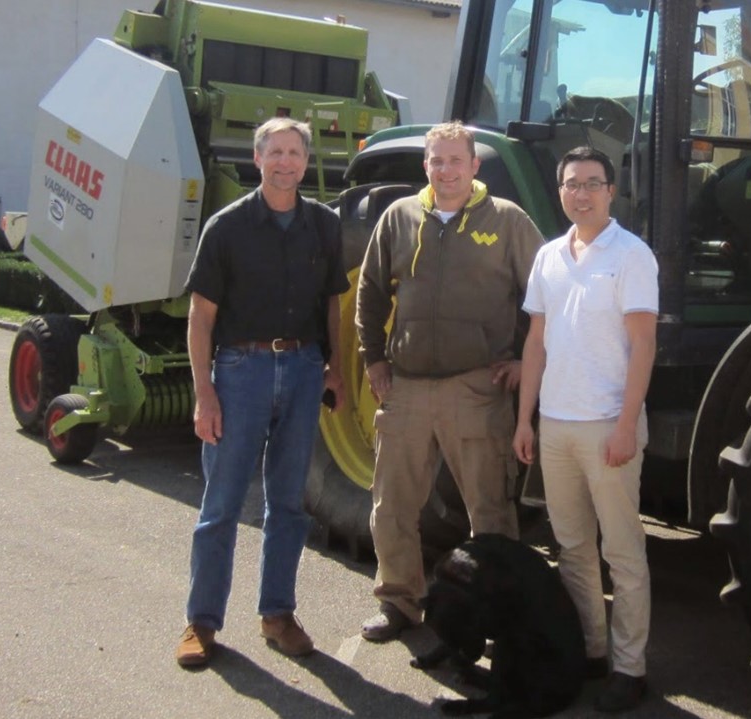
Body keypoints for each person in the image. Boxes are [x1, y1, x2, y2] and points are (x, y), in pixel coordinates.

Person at [356, 121, 545, 642]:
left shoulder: (507, 220)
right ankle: (399, 601)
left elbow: (547, 295)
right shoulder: (399, 217)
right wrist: (374, 360)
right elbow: (370, 291)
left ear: (474, 165)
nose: (445, 170)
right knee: (391, 504)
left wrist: (526, 363)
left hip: (476, 388)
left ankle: (499, 611)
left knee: (489, 509)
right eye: (436, 161)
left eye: (455, 161)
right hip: (408, 388)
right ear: (425, 165)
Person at [175, 117, 350, 667]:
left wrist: (337, 368)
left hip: (302, 369)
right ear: (257, 159)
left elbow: (332, 305)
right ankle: (201, 623)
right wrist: (205, 392)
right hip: (240, 371)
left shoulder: (324, 225)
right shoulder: (226, 228)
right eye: (275, 152)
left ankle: (277, 614)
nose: (285, 162)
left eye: (294, 152)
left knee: (290, 503)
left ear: (305, 160)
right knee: (221, 504)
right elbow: (200, 318)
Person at [512, 146, 658, 713]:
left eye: (592, 183)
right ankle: (593, 651)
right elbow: (535, 343)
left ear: (612, 192)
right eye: (572, 184)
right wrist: (526, 419)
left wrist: (627, 425)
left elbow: (644, 344)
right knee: (572, 547)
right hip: (556, 425)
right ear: (561, 191)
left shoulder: (631, 255)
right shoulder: (549, 257)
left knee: (623, 551)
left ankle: (630, 667)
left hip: (607, 427)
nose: (581, 192)